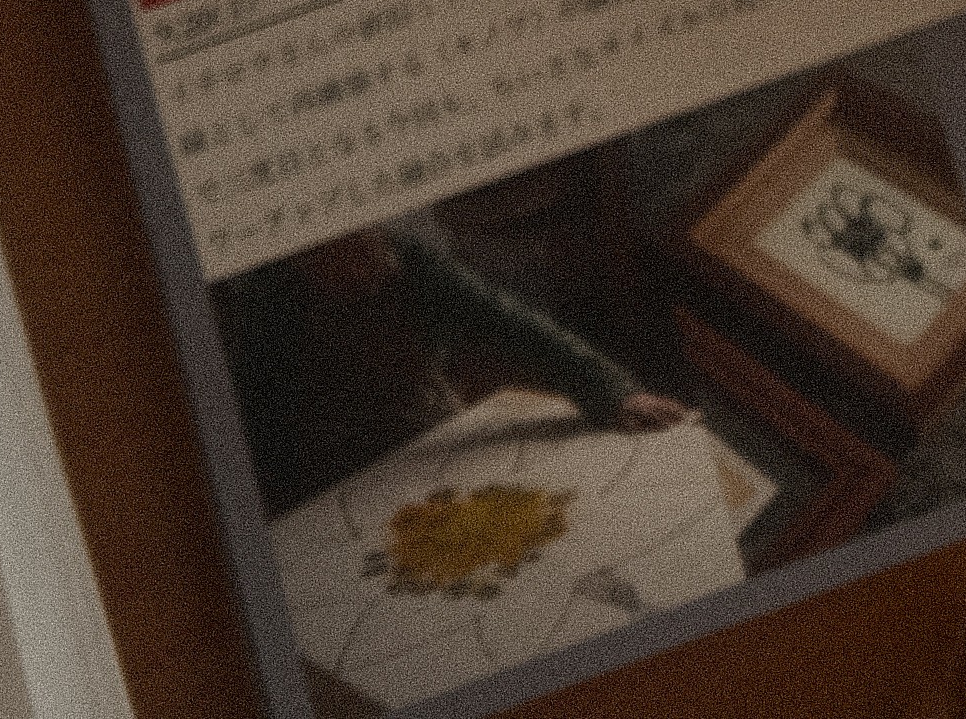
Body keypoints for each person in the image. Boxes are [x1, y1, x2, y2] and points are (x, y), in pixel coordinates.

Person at [215, 212, 686, 519]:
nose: (361, 266)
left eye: (365, 246)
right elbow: (260, 425)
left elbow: (511, 325)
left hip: (422, 414)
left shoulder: (407, 261)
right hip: (323, 453)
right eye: (336, 257)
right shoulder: (263, 304)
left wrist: (611, 391)